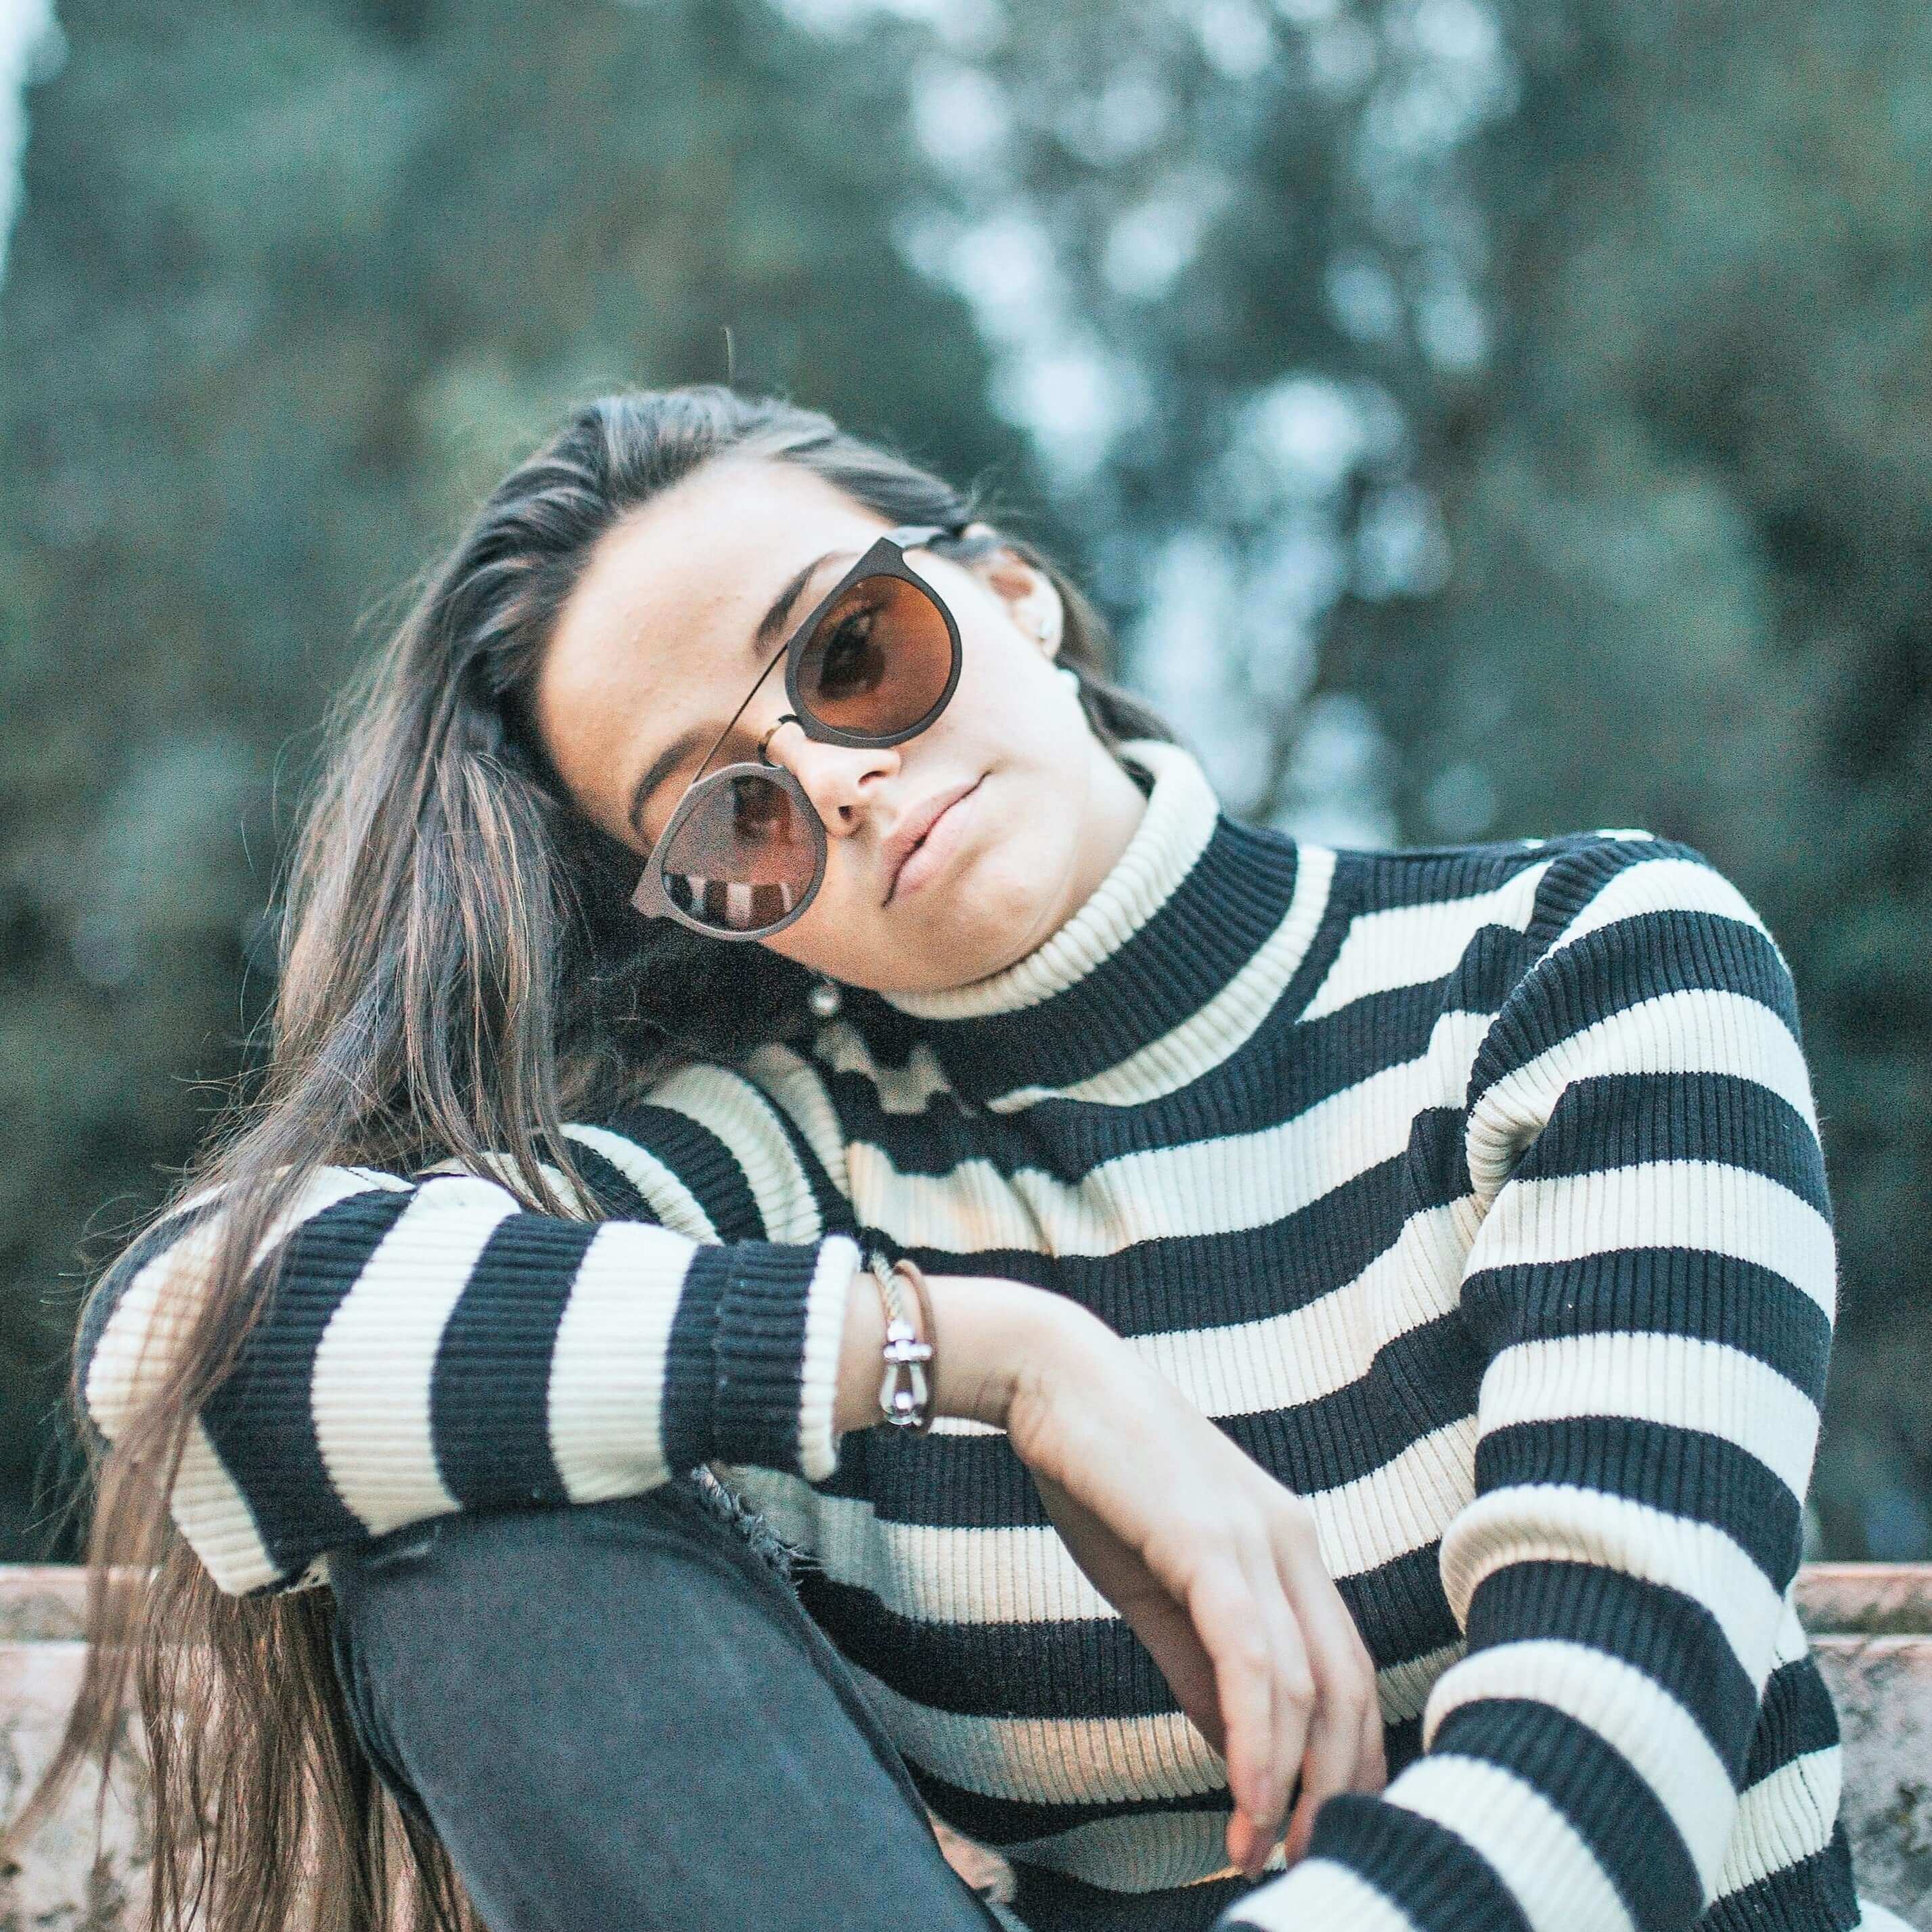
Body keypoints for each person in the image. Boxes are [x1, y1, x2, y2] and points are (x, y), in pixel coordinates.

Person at [9, 385, 1880, 1932]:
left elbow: (1612, 1749)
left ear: (1011, 594)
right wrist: (995, 1358)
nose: (834, 782)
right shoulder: (787, 1178)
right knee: (475, 1517)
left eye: (853, 651)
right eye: (728, 818)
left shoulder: (1574, 965)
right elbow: (191, 1343)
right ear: (729, 921)